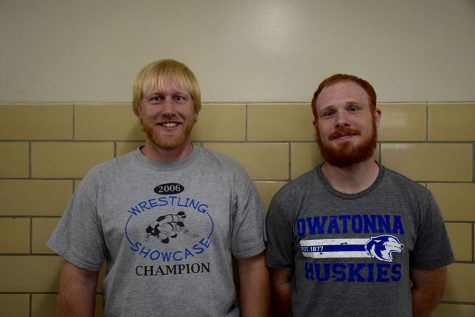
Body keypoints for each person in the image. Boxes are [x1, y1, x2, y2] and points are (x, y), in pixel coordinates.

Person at [48, 59, 269, 316]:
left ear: (195, 109)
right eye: (155, 99)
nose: (168, 110)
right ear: (138, 110)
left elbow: (252, 268)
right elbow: (79, 276)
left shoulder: (231, 177)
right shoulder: (100, 182)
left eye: (179, 98)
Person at [265, 73, 454, 317]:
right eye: (329, 113)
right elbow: (280, 285)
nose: (341, 121)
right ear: (317, 127)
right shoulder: (288, 201)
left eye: (353, 108)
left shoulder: (417, 200)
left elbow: (430, 289)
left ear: (375, 118)